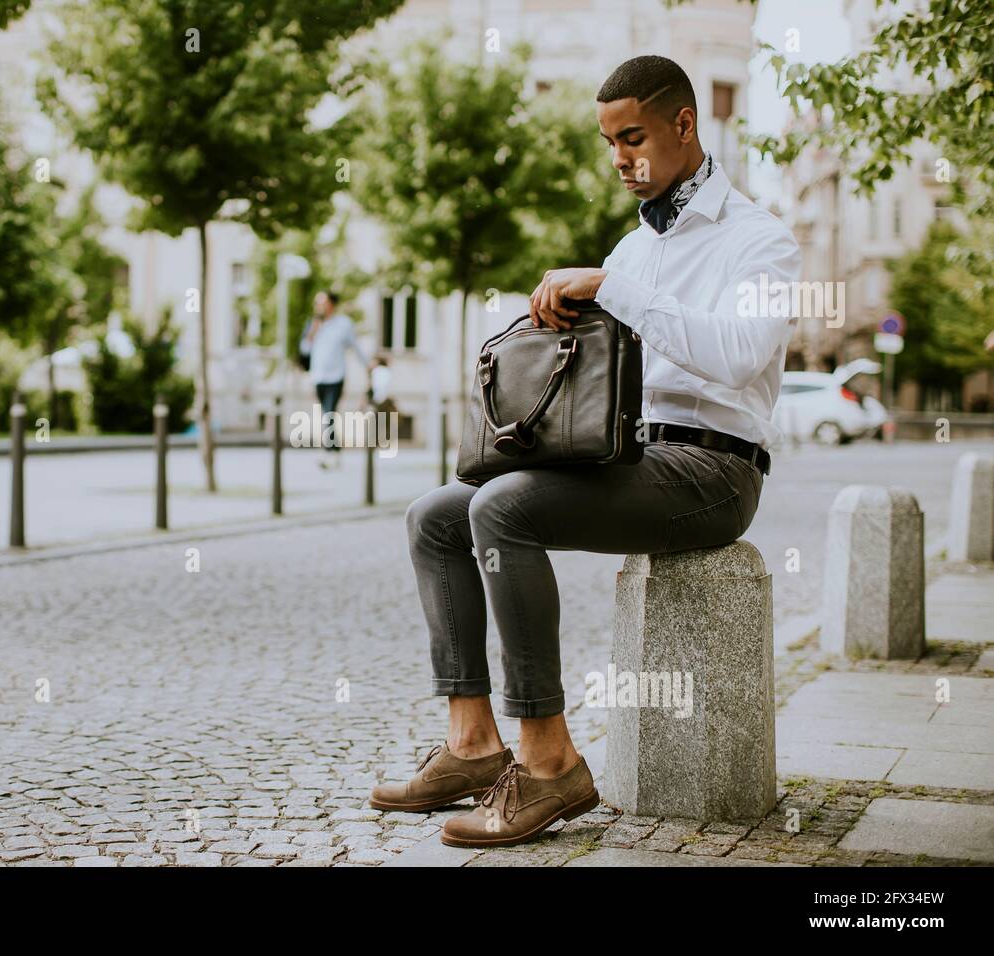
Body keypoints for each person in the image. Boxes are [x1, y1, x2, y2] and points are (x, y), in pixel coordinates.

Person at [375, 55, 800, 848]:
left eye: (632, 137)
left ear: (684, 125)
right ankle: (472, 745)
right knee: (436, 514)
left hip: (715, 470)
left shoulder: (761, 241)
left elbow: (742, 353)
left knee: (503, 509)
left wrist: (612, 288)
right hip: (626, 458)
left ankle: (548, 763)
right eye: (608, 142)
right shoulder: (631, 250)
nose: (619, 160)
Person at [298, 290, 369, 468]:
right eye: (316, 303)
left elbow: (355, 346)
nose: (318, 307)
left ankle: (327, 453)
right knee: (326, 415)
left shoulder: (343, 324)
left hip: (336, 377)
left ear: (331, 305)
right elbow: (305, 350)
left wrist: (368, 365)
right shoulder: (312, 324)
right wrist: (312, 333)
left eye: (321, 303)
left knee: (328, 414)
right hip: (318, 376)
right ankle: (335, 452)